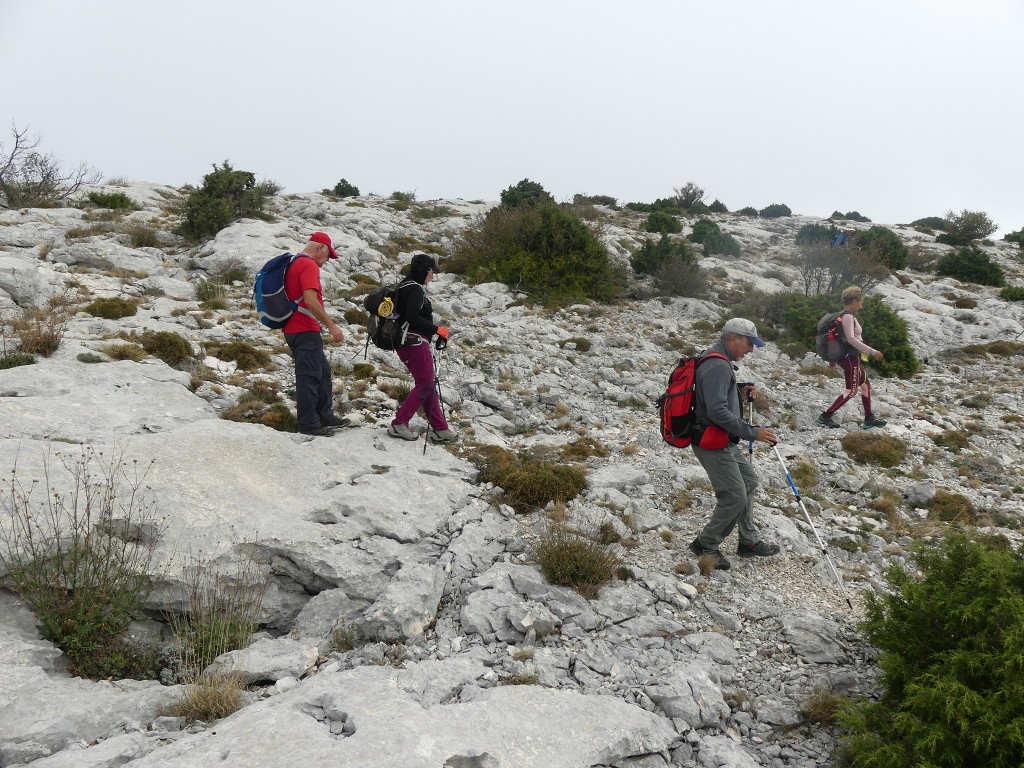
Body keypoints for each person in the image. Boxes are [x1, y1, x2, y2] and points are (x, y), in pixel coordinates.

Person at [688, 318, 780, 571]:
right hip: (712, 440)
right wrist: (753, 433)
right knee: (734, 495)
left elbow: (712, 399)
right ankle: (705, 544)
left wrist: (738, 393)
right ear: (733, 339)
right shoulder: (717, 364)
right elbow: (717, 412)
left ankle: (748, 541)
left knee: (749, 481)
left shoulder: (717, 360)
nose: (750, 349)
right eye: (749, 343)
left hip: (721, 439)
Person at [282, 232, 350, 437]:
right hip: (303, 328)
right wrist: (332, 326)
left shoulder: (294, 262)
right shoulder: (309, 264)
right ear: (321, 248)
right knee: (309, 376)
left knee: (323, 372)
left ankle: (324, 416)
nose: (327, 260)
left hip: (295, 329)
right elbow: (311, 301)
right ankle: (308, 424)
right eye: (328, 255)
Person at [386, 252, 458, 443]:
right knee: (426, 383)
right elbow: (412, 316)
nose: (433, 276)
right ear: (426, 270)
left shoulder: (404, 285)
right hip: (414, 342)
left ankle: (441, 428)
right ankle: (399, 423)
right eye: (432, 272)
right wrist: (437, 330)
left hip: (406, 342)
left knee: (427, 384)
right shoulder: (415, 289)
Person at [816, 286, 886, 430]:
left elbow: (836, 337)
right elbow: (851, 339)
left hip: (851, 357)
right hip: (849, 358)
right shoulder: (847, 316)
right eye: (861, 302)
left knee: (865, 385)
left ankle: (869, 418)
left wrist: (833, 360)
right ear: (854, 301)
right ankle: (825, 416)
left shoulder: (842, 315)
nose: (861, 305)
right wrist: (873, 352)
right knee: (851, 391)